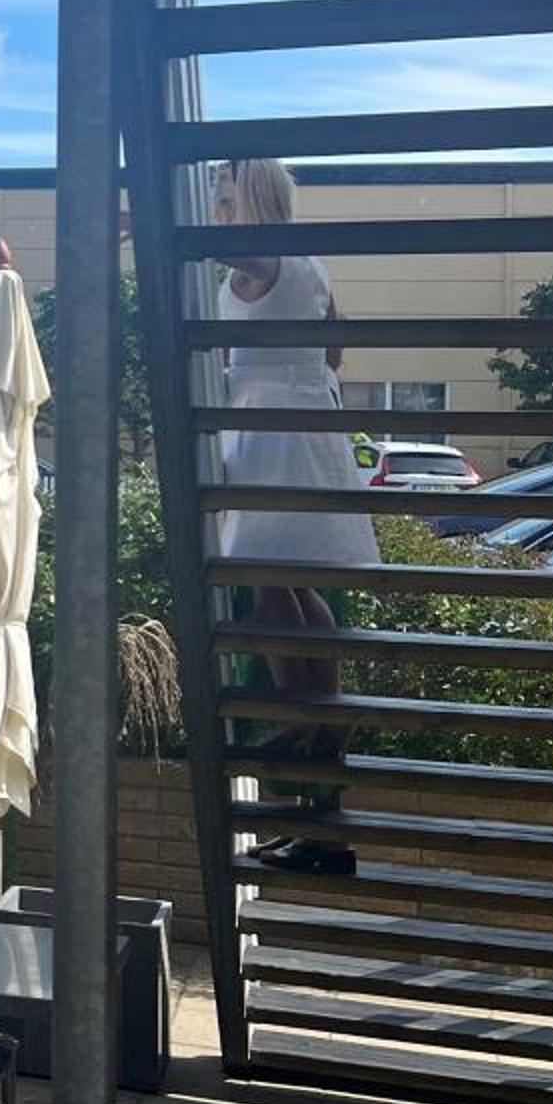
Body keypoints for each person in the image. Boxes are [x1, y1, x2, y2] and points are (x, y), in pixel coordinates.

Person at [212, 155, 374, 876]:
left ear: (249, 199)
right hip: (296, 425)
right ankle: (321, 735)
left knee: (269, 586)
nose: (216, 212)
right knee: (289, 586)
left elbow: (229, 253)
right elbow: (336, 353)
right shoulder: (310, 264)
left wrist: (156, 221)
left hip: (272, 433)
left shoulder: (267, 257)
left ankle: (309, 722)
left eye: (224, 198)